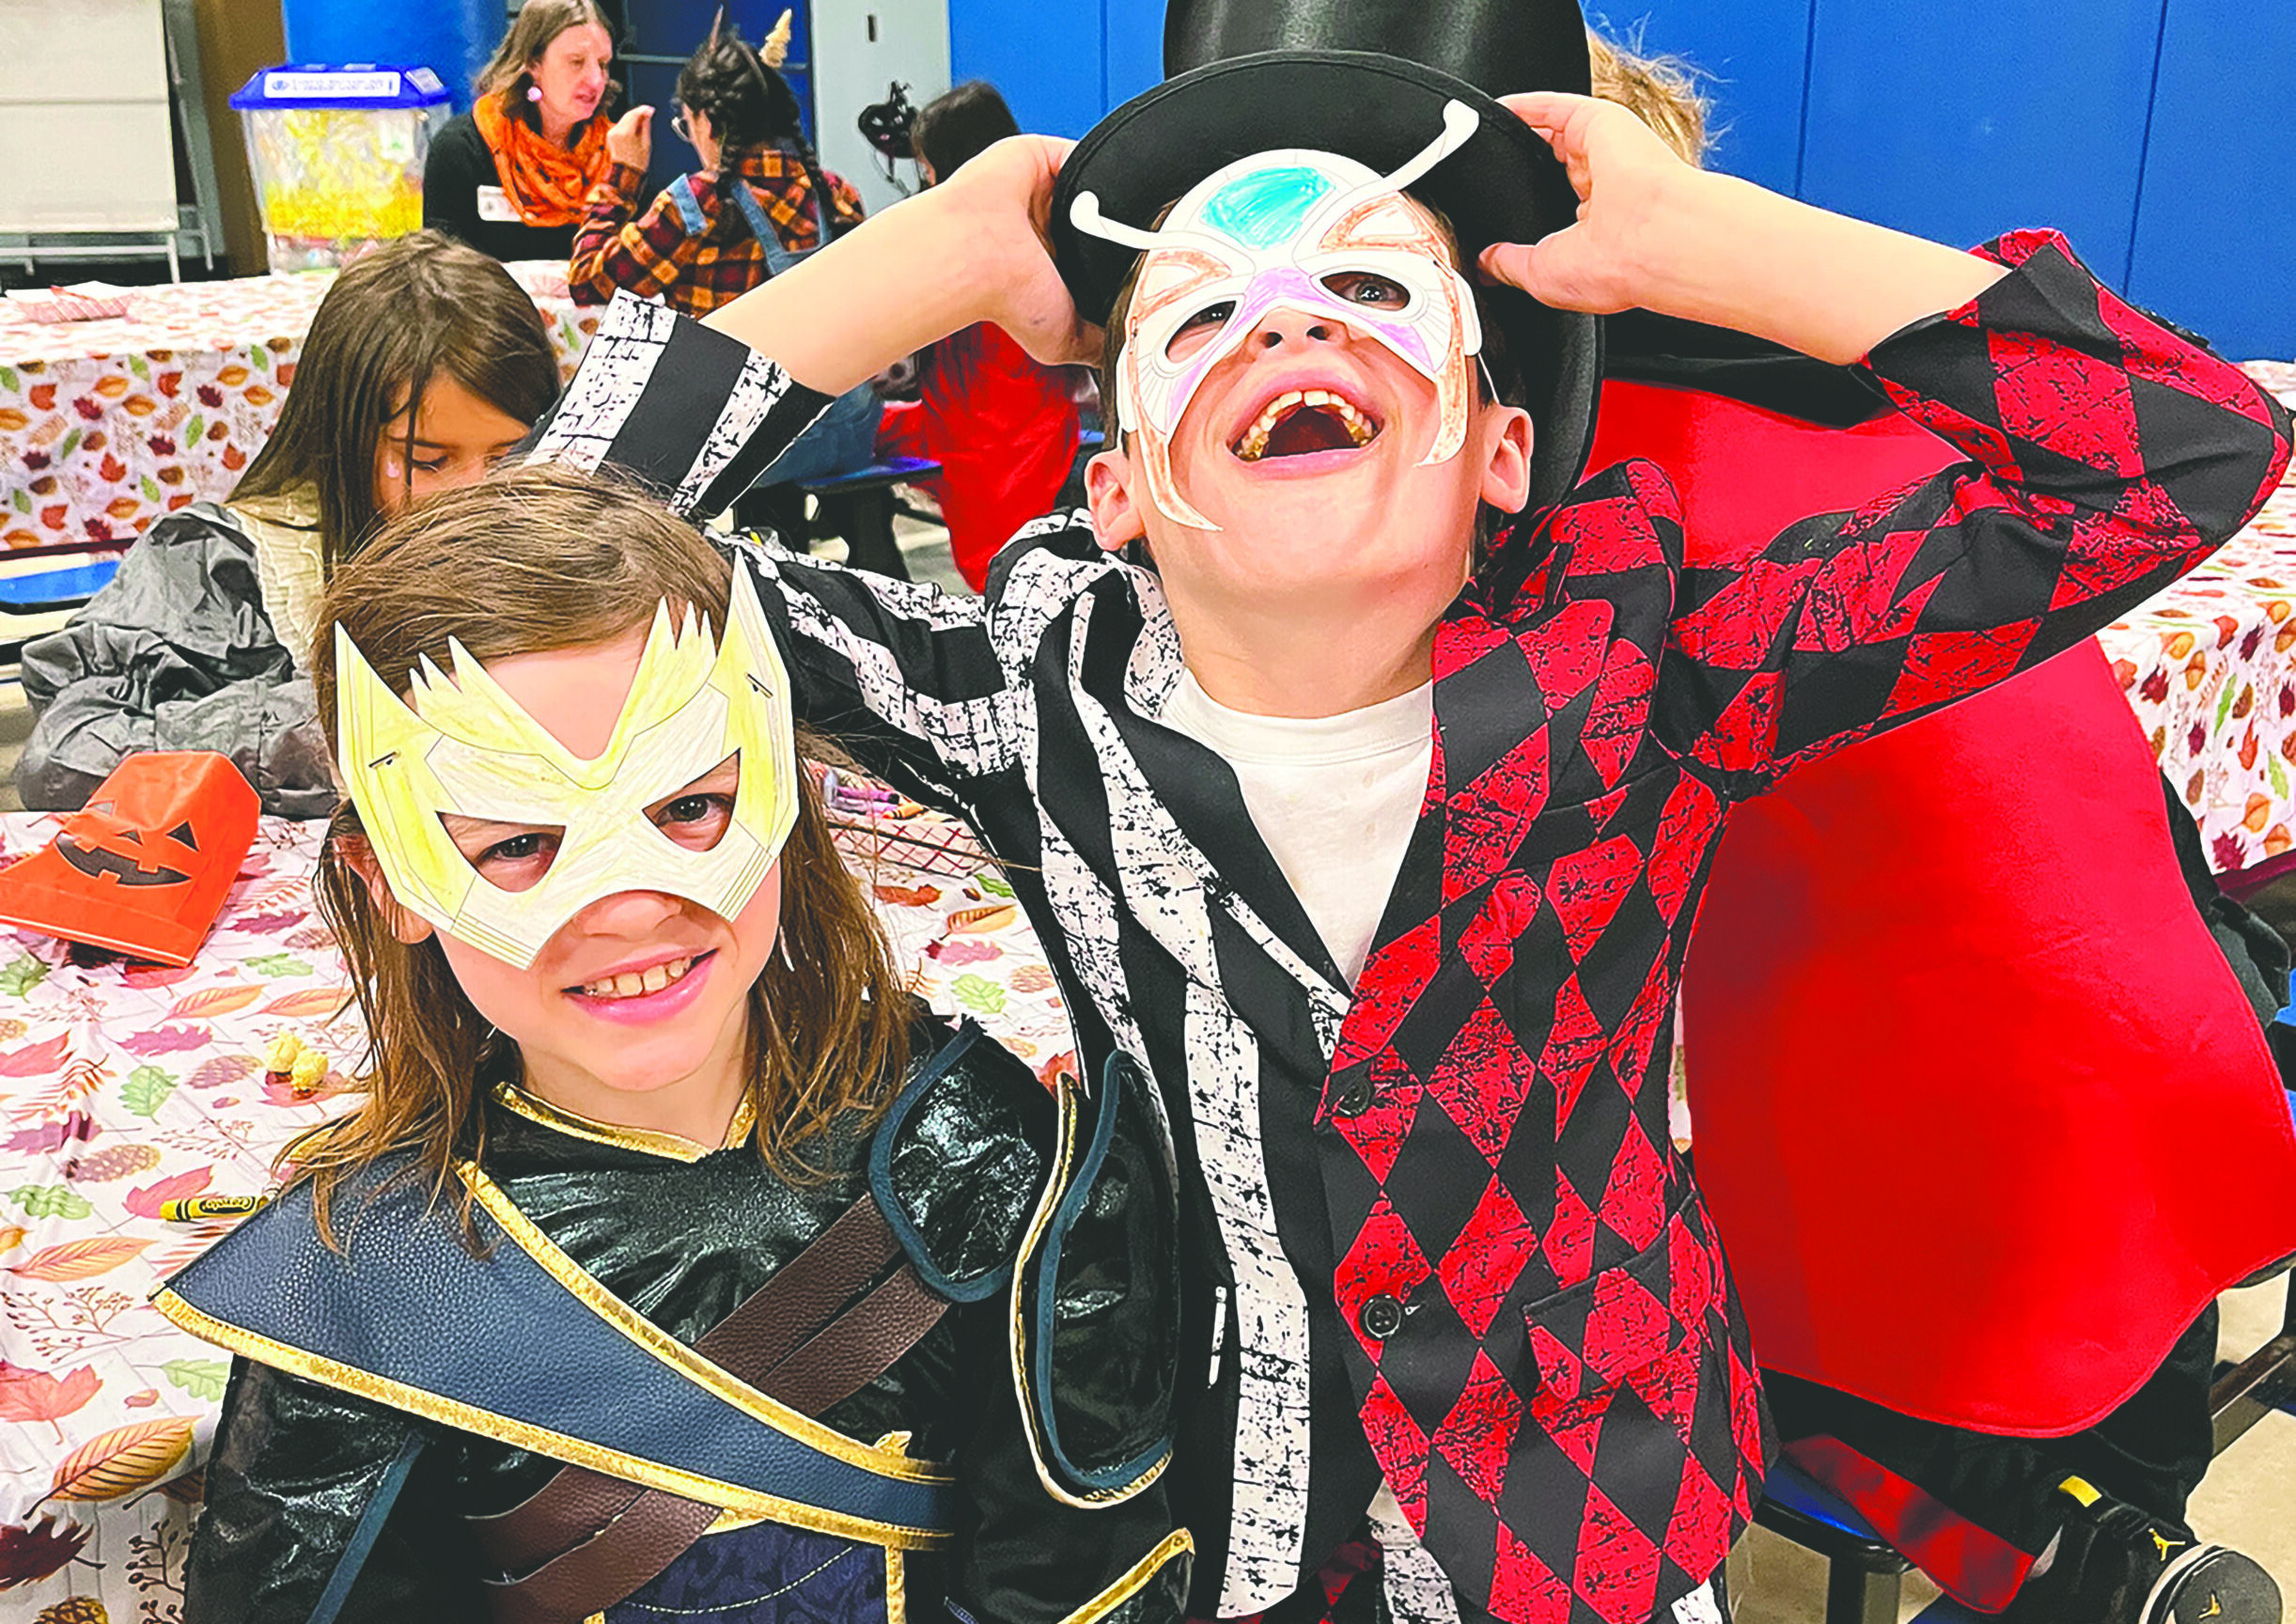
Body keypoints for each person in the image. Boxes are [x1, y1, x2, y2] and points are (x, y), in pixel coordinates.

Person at [510, 0, 2296, 1616]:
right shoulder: (1025, 693)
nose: (1286, 315)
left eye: (1373, 290)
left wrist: (1696, 238)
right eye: (1202, 310)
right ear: (1115, 481)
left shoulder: (1655, 660)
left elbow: (2169, 448)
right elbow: (517, 567)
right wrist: (943, 247)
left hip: (1592, 1513)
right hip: (1213, 1512)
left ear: (1499, 448)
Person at [156, 464, 1192, 1624]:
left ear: (782, 791)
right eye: (517, 845)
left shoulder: (986, 1165)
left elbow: (1080, 1583)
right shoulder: (363, 1285)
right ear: (386, 876)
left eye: (687, 808)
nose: (627, 905)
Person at [16, 233, 559, 818]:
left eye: (513, 455)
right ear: (346, 438)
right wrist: (338, 729)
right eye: (428, 460)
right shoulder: (224, 567)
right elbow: (63, 759)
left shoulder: (568, 533)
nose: (474, 495)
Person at [872, 80, 1085, 592]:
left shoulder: (950, 241)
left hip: (976, 424)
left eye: (928, 166)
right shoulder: (1052, 218)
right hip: (1043, 422)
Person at [569, 8, 865, 316]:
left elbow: (587, 282)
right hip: (821, 364)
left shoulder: (696, 204)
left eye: (687, 126)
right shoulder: (837, 194)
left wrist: (622, 177)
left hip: (727, 365)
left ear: (707, 123)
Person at [425, 0, 617, 263]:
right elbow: (439, 271)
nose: (595, 80)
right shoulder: (462, 149)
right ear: (532, 63)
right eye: (577, 62)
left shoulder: (617, 152)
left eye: (603, 64)